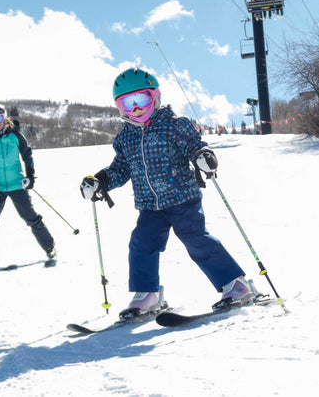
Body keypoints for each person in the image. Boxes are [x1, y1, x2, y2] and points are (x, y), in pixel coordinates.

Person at [79, 68, 258, 319]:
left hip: (183, 198)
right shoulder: (125, 138)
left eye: (141, 99)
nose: (136, 108)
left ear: (155, 97)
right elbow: (121, 167)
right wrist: (101, 181)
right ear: (119, 107)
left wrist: (202, 157)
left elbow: (195, 147)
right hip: (150, 206)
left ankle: (236, 285)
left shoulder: (175, 125)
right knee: (141, 244)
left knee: (195, 239)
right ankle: (147, 294)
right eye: (127, 103)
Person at [0, 104, 55, 266]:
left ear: (4, 118)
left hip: (17, 185)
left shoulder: (15, 136)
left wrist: (30, 176)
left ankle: (49, 247)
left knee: (31, 218)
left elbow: (27, 155)